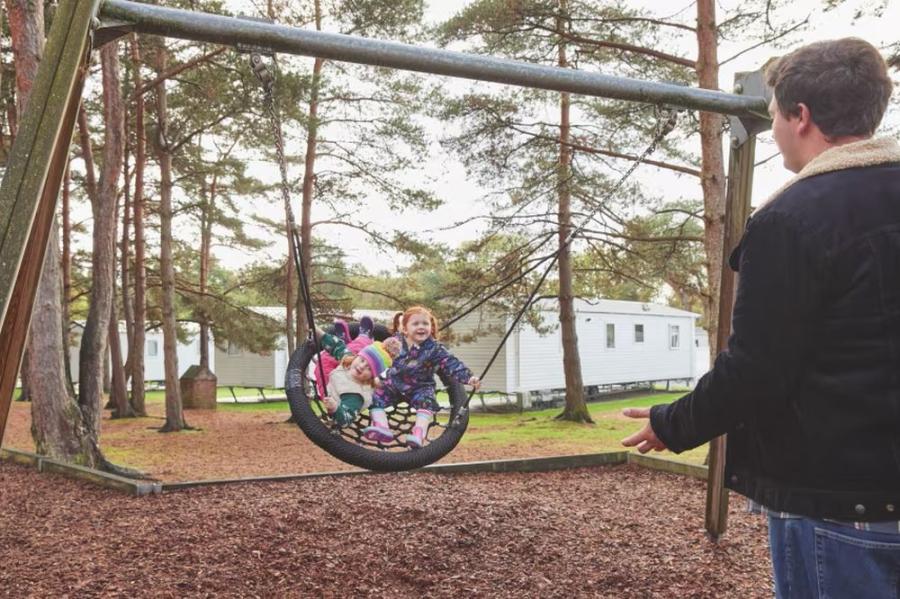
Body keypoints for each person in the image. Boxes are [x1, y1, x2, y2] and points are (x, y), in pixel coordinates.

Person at [622, 38, 900, 597]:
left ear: (801, 116)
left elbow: (757, 370)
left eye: (774, 113)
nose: (772, 129)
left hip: (839, 505)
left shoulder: (795, 217)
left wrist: (672, 421)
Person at [362, 306, 480, 448]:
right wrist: (372, 375)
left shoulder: (435, 348)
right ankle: (382, 427)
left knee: (427, 400)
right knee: (373, 395)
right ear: (405, 329)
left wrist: (469, 378)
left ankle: (419, 433)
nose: (421, 327)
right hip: (393, 384)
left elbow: (451, 363)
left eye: (425, 323)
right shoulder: (395, 342)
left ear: (431, 327)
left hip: (420, 387)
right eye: (416, 324)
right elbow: (380, 358)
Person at [315, 317, 401, 427]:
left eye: (369, 368)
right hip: (336, 381)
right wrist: (320, 333)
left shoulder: (356, 394)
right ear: (358, 358)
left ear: (372, 376)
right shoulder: (350, 361)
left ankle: (363, 338)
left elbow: (347, 419)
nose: (361, 366)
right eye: (362, 360)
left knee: (352, 349)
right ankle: (348, 341)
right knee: (345, 350)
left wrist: (335, 408)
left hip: (337, 403)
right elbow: (336, 346)